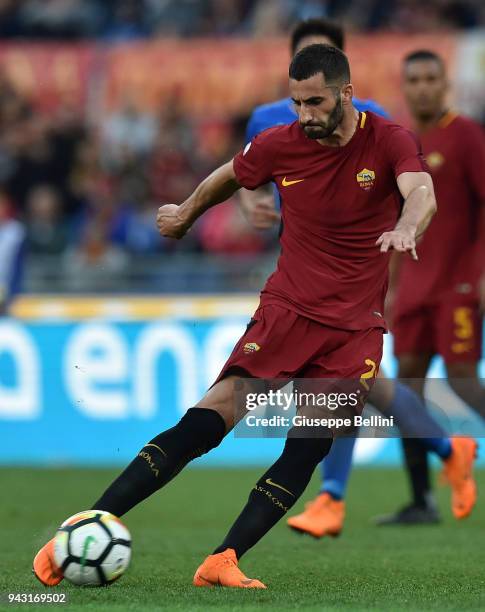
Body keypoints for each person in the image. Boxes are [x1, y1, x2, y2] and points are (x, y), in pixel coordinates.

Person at [34, 44, 439, 589]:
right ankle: (82, 526)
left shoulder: (388, 140)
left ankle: (223, 559)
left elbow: (422, 193)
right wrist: (184, 213)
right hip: (287, 312)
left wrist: (408, 226)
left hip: (355, 330)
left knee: (308, 447)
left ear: (346, 92)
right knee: (212, 417)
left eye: (316, 102)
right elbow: (228, 175)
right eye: (297, 103)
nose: (305, 115)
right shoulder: (281, 145)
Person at [239, 19, 469, 537]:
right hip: (298, 259)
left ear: (341, 78)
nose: (306, 104)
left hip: (361, 262)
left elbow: (407, 183)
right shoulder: (266, 120)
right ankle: (446, 448)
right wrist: (251, 204)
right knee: (369, 385)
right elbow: (245, 177)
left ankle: (331, 497)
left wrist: (406, 232)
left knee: (338, 382)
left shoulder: (375, 120)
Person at [376, 50, 485, 525]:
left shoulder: (466, 135)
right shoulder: (400, 141)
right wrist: (390, 286)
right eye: (413, 79)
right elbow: (393, 219)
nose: (422, 87)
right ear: (404, 85)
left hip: (457, 283)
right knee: (406, 392)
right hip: (413, 287)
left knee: (462, 380)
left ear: (444, 84)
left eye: (430, 78)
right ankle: (421, 500)